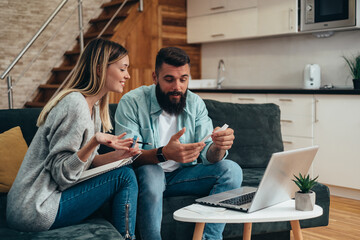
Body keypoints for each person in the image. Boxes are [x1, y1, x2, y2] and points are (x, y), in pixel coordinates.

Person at [6, 38, 140, 240]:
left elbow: (87, 162)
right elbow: (62, 174)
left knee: (124, 170)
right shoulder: (75, 105)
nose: (127, 75)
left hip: (43, 201)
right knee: (124, 177)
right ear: (99, 69)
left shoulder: (93, 108)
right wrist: (95, 140)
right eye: (123, 69)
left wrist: (119, 156)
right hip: (35, 207)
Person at [115, 47, 243, 240]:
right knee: (152, 173)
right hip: (149, 172)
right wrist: (165, 154)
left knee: (231, 170)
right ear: (155, 77)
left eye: (183, 79)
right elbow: (128, 155)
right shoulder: (132, 102)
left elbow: (208, 154)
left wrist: (218, 146)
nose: (177, 86)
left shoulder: (195, 103)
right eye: (169, 79)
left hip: (184, 174)